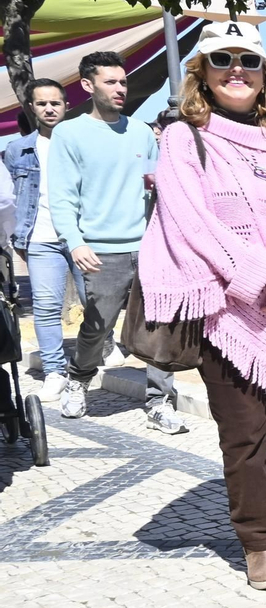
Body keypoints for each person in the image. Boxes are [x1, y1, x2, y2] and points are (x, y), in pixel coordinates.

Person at [140, 20, 266, 589]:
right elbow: (192, 225)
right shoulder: (186, 138)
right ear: (201, 74)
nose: (237, 70)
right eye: (222, 59)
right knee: (244, 432)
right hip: (228, 315)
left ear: (265, 76)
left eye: (248, 61)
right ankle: (259, 537)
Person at [50, 51, 185, 433]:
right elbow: (62, 195)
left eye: (123, 81)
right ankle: (79, 378)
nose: (119, 88)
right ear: (87, 86)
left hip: (150, 247)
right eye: (110, 81)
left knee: (158, 327)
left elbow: (159, 186)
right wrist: (74, 242)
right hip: (100, 250)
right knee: (97, 326)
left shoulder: (142, 132)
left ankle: (159, 401)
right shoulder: (69, 132)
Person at [4, 78, 83, 402]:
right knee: (46, 307)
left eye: (55, 102)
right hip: (40, 237)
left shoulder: (82, 143)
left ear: (66, 105)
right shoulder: (17, 149)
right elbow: (8, 197)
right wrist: (15, 235)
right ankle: (54, 371)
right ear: (32, 109)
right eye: (42, 103)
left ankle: (102, 349)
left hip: (83, 236)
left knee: (97, 300)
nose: (49, 108)